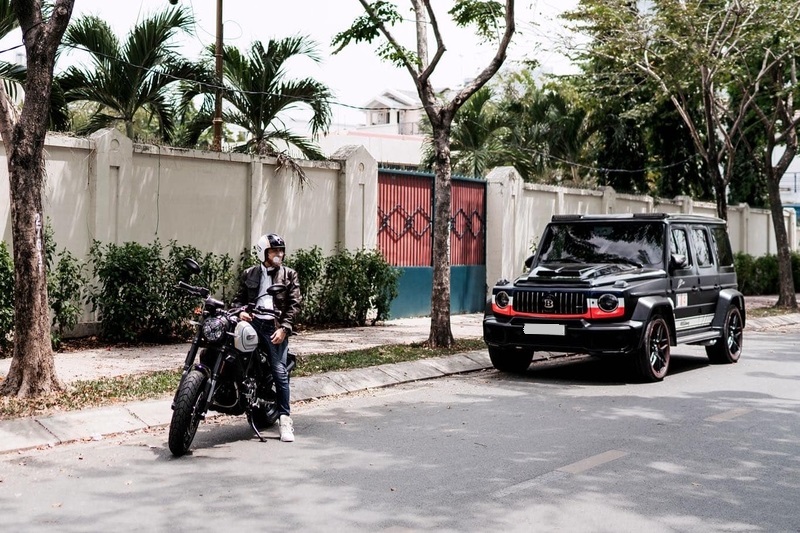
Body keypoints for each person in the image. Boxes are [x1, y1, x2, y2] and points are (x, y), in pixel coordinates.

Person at [233, 233, 302, 442]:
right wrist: (240, 312)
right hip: (252, 322)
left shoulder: (289, 275)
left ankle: (285, 419)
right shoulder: (249, 274)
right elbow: (238, 299)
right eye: (274, 251)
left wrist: (284, 329)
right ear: (263, 253)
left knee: (279, 371)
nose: (279, 254)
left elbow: (295, 305)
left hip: (274, 326)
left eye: (281, 251)